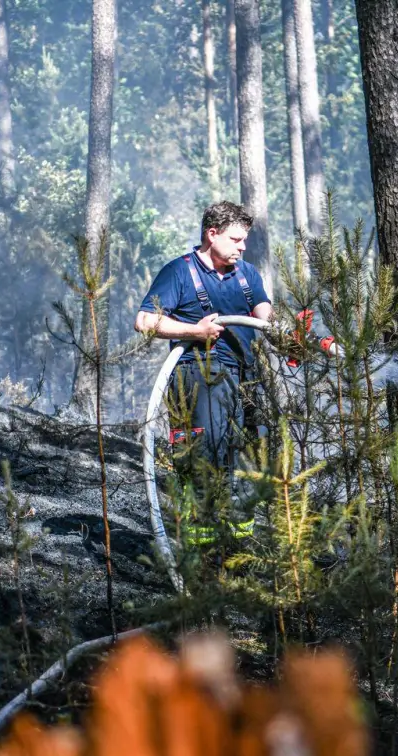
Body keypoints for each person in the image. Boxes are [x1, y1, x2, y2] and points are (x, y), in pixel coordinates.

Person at [136, 201, 272, 545]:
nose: (243, 247)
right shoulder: (179, 272)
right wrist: (194, 332)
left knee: (251, 459)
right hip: (198, 376)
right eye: (236, 239)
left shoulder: (247, 274)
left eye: (245, 241)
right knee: (205, 457)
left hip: (246, 375)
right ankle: (202, 549)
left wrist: (285, 332)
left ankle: (241, 547)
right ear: (212, 234)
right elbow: (145, 321)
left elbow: (264, 316)